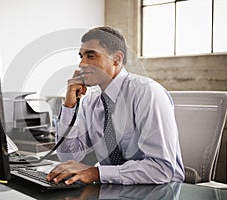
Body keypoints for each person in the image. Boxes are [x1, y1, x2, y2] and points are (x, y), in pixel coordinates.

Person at [47, 26, 185, 185]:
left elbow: (161, 169)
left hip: (161, 190)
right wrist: (69, 106)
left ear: (117, 59)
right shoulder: (92, 100)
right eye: (81, 56)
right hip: (116, 190)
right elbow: (69, 158)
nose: (82, 64)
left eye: (91, 56)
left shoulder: (147, 92)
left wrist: (96, 173)